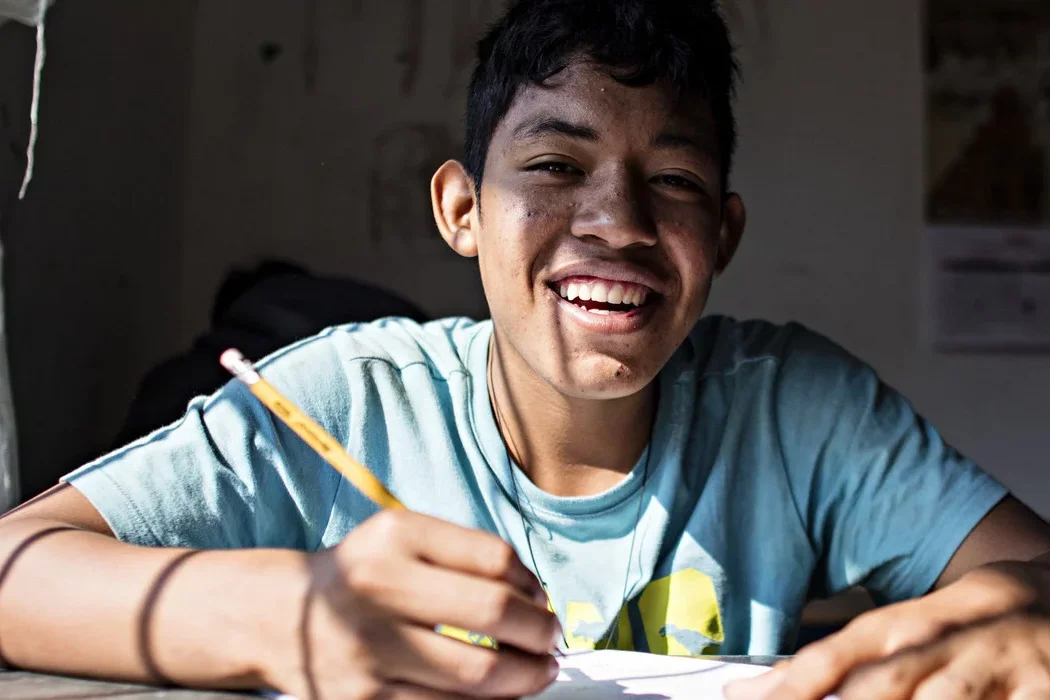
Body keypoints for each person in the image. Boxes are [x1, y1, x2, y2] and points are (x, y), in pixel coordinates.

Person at [3, 2, 1050, 699]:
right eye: (555, 162)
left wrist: (1009, 613)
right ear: (462, 209)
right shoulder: (349, 395)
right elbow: (14, 567)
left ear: (723, 234)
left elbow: (1034, 572)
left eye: (675, 181)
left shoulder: (792, 407)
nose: (620, 222)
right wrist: (290, 610)